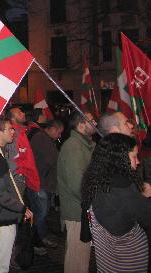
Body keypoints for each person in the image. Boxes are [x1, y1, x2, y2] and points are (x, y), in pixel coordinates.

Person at [81, 133, 151, 272]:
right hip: (129, 260)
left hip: (106, 258)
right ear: (120, 159)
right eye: (134, 156)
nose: (137, 162)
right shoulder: (124, 190)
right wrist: (142, 198)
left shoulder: (94, 181)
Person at [0, 117, 32, 273]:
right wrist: (21, 208)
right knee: (0, 264)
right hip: (2, 217)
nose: (13, 131)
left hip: (0, 215)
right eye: (9, 129)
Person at [57, 111, 96, 273]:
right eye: (91, 120)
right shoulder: (74, 147)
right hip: (77, 212)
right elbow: (78, 185)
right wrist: (95, 204)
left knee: (82, 258)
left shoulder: (83, 145)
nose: (95, 123)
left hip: (82, 210)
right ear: (81, 124)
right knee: (77, 260)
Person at [28, 119, 64, 253]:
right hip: (40, 184)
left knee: (42, 213)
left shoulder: (44, 139)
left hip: (43, 183)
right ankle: (37, 241)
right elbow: (52, 161)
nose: (59, 136)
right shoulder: (41, 139)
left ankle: (40, 238)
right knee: (40, 214)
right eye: (59, 133)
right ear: (53, 129)